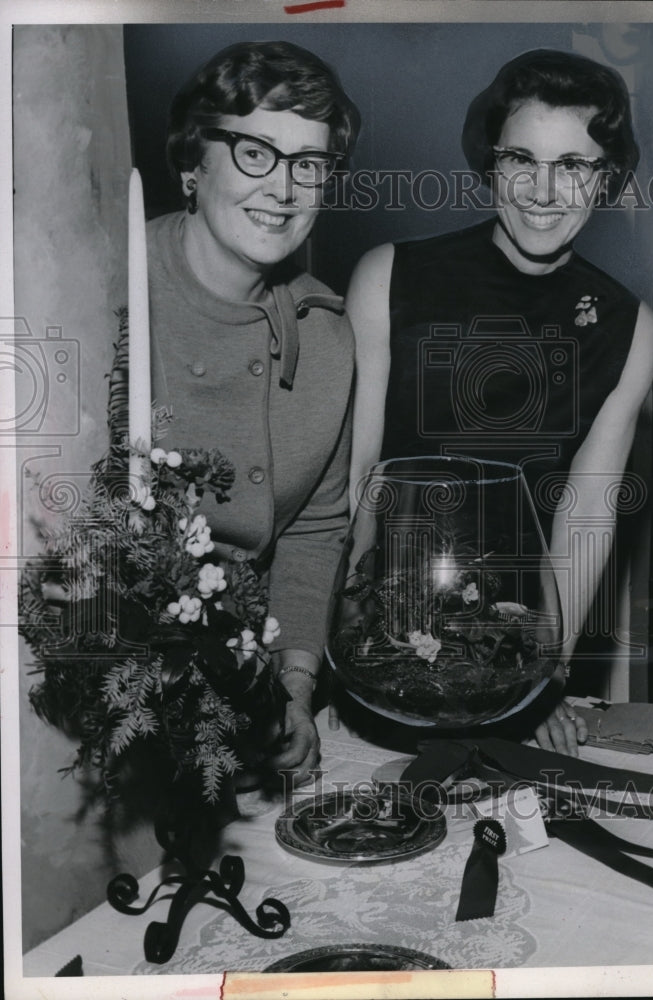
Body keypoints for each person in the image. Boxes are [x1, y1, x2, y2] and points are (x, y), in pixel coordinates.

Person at [346, 49, 653, 755]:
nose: (543, 190)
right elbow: (358, 490)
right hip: (381, 641)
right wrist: (346, 651)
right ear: (491, 162)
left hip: (509, 646)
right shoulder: (388, 277)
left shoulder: (630, 327)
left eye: (573, 165)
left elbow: (583, 519)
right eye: (522, 158)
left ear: (605, 178)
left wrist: (538, 678)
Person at [148, 40, 360, 784]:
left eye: (310, 163)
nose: (285, 188)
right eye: (255, 153)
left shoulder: (328, 334)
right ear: (191, 160)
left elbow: (315, 529)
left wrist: (292, 693)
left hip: (248, 692)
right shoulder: (103, 289)